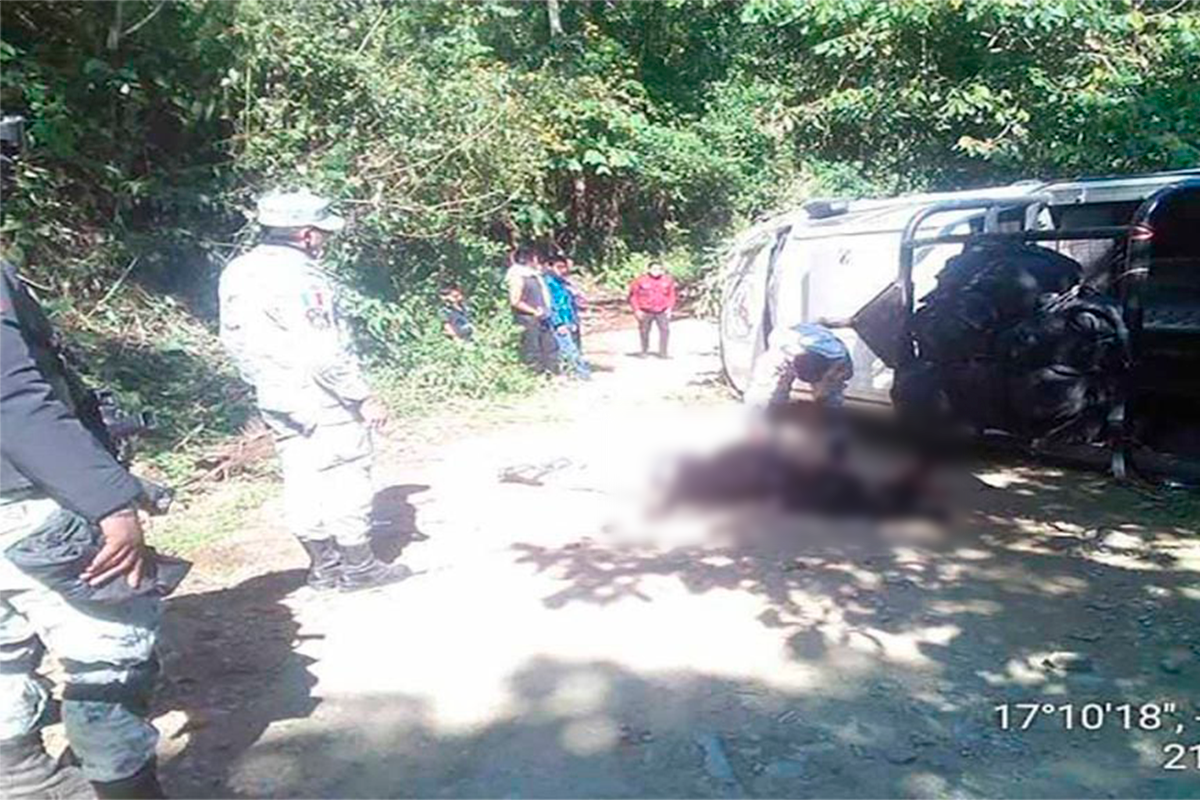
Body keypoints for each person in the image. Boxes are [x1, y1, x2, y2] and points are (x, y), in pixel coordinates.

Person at [1, 115, 167, 798]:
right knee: (111, 652)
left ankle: (23, 774)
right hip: (25, 504)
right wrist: (111, 500)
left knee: (6, 650)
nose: (9, 176)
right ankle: (120, 786)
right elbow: (13, 398)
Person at [219, 188, 412, 593]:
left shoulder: (238, 271)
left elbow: (234, 341)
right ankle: (359, 567)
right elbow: (323, 351)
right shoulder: (302, 278)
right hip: (322, 395)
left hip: (275, 395)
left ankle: (324, 567)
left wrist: (265, 381)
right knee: (346, 473)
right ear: (306, 234)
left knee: (301, 476)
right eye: (322, 232)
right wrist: (362, 396)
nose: (325, 239)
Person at [743, 322, 854, 464]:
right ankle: (762, 453)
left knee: (832, 408)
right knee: (764, 402)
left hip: (822, 353)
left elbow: (822, 396)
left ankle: (837, 458)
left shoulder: (841, 363)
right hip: (789, 345)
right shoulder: (782, 355)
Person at [505, 244, 556, 374]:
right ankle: (534, 375)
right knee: (532, 349)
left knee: (548, 347)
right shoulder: (517, 275)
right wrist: (533, 311)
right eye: (535, 257)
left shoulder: (533, 275)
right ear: (529, 259)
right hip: (527, 319)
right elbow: (515, 300)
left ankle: (549, 374)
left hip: (541, 317)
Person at [543, 255, 590, 380]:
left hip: (571, 318)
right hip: (560, 321)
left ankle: (572, 372)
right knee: (569, 348)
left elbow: (569, 301)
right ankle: (582, 374)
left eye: (564, 267)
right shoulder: (547, 283)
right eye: (559, 267)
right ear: (550, 266)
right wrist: (558, 323)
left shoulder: (563, 282)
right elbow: (551, 304)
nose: (563, 270)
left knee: (574, 347)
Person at [628, 261, 677, 358]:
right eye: (654, 269)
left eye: (659, 269)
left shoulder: (667, 281)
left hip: (662, 310)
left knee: (665, 330)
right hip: (645, 310)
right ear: (648, 269)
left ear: (662, 270)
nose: (656, 271)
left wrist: (669, 308)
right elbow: (633, 296)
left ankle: (663, 353)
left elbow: (671, 295)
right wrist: (637, 310)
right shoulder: (640, 281)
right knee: (644, 331)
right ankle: (644, 351)